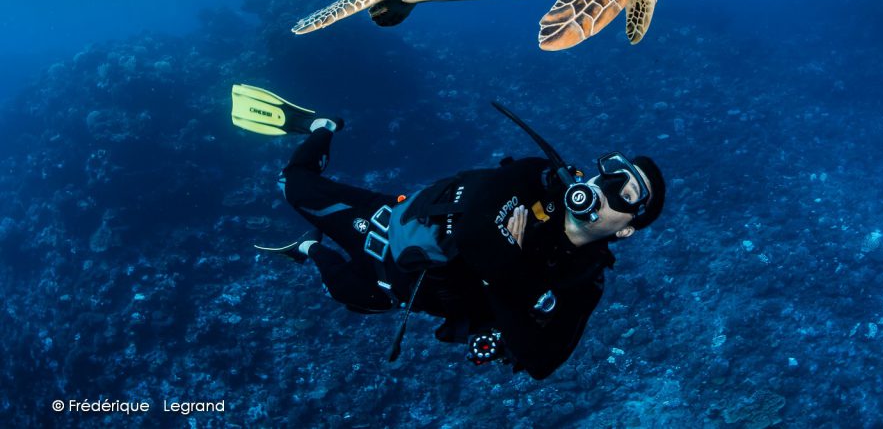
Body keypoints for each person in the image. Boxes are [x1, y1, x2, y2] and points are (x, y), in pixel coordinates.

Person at [236, 87, 666, 380]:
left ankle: (309, 248)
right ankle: (322, 126)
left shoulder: (583, 280)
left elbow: (541, 362)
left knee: (352, 298)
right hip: (388, 227)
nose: (601, 187)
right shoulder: (536, 177)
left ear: (626, 231)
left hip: (404, 293)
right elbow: (478, 234)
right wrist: (525, 293)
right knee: (291, 184)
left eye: (624, 193)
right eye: (606, 175)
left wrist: (509, 273)